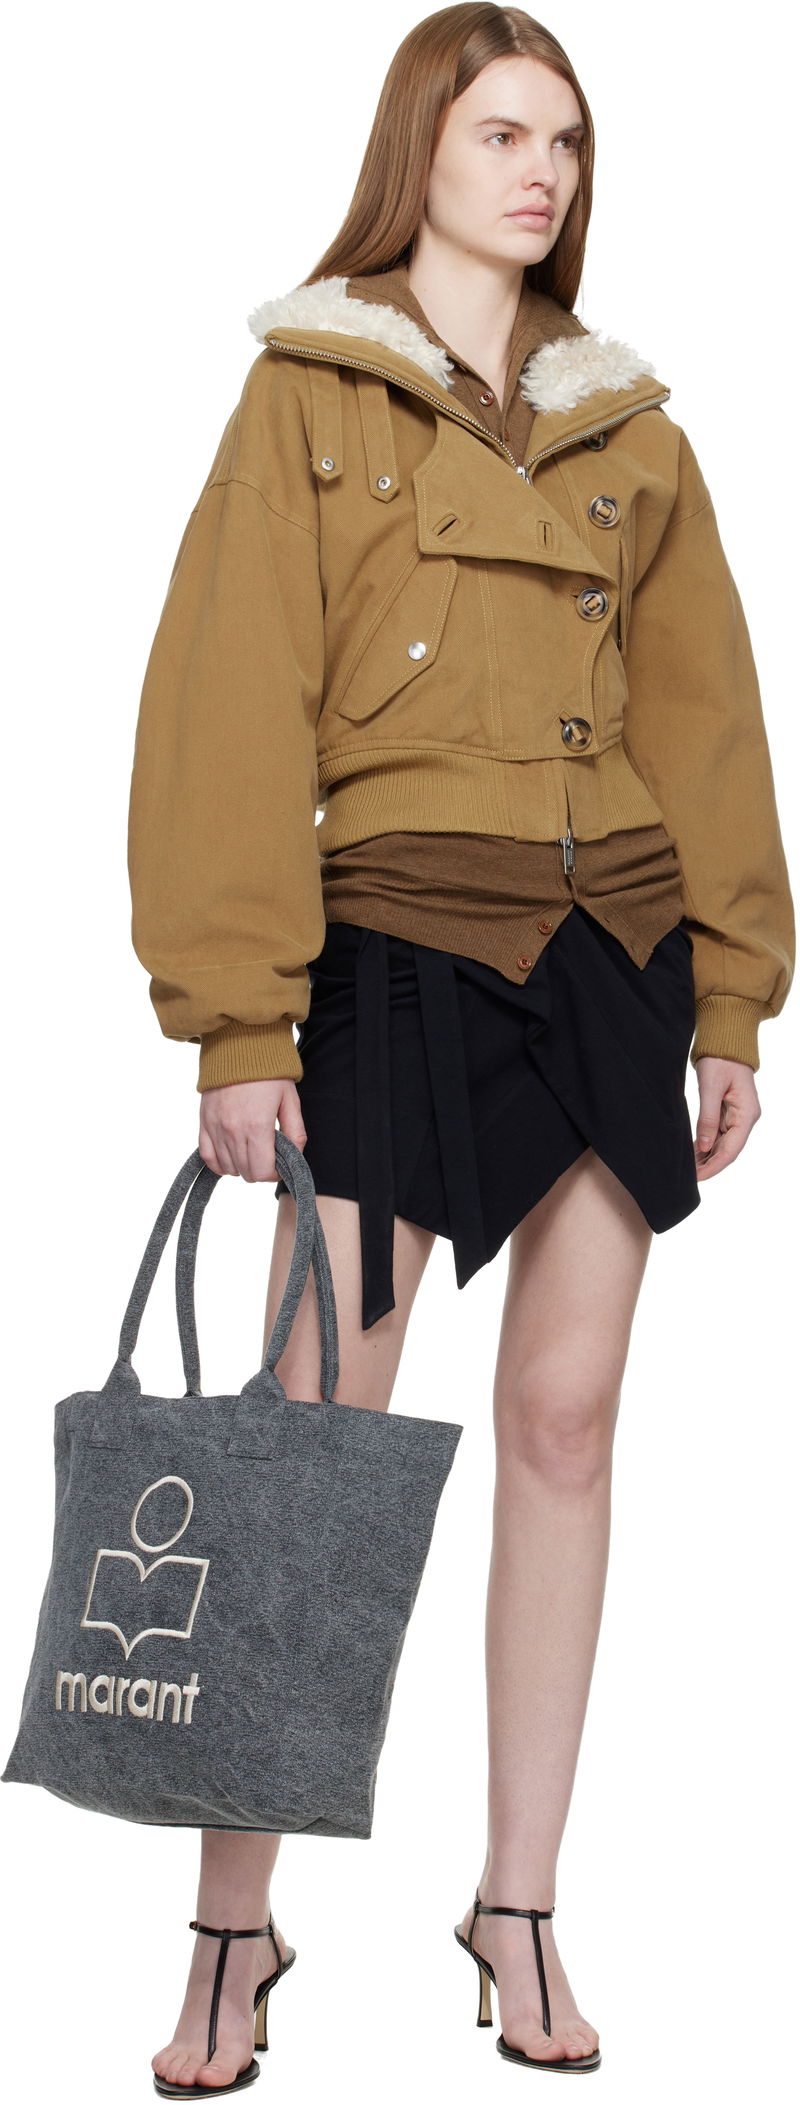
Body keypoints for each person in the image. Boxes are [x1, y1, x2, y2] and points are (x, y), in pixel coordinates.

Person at [128, 7, 795, 2092]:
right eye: (503, 132)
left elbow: (708, 720)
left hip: (612, 952)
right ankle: (231, 1927)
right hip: (393, 952)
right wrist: (237, 1016)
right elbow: (225, 699)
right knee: (314, 1442)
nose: (541, 173)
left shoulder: (631, 429)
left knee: (568, 1423)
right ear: (418, 145)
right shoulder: (307, 393)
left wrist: (732, 989)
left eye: (565, 142)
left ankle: (518, 1904)